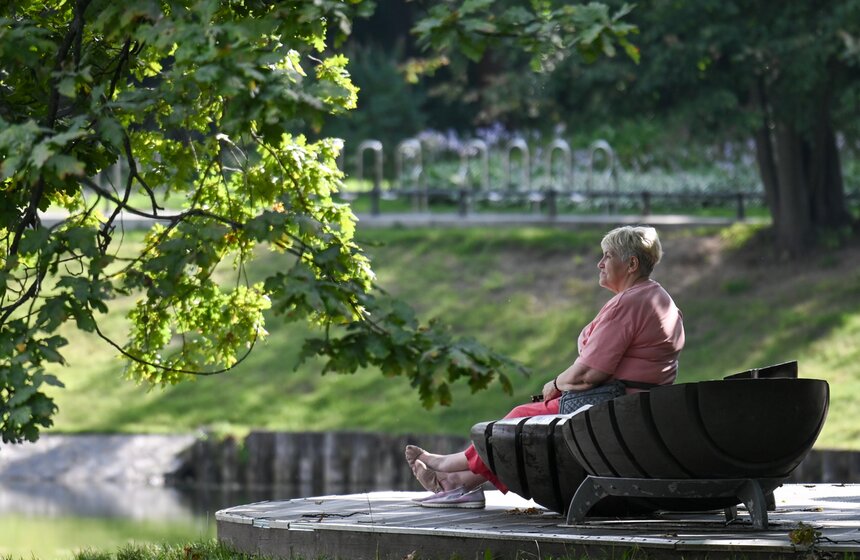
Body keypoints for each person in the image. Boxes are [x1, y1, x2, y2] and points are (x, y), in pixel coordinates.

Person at [405, 225, 685, 508]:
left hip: (609, 409)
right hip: (634, 409)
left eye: (607, 256)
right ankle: (460, 484)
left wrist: (554, 385)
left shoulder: (630, 303)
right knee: (521, 420)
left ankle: (451, 470)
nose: (600, 264)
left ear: (632, 263)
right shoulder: (659, 299)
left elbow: (589, 373)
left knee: (516, 422)